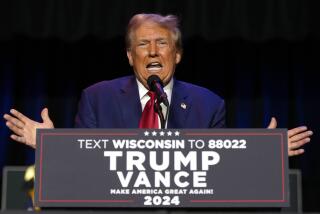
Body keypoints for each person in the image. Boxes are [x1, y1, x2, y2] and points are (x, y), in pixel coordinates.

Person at [3, 13, 312, 156]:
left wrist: (263, 156)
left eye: (161, 43)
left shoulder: (208, 104)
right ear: (129, 56)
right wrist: (51, 147)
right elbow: (86, 165)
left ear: (176, 55)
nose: (152, 51)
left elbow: (218, 169)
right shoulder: (97, 97)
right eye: (142, 44)